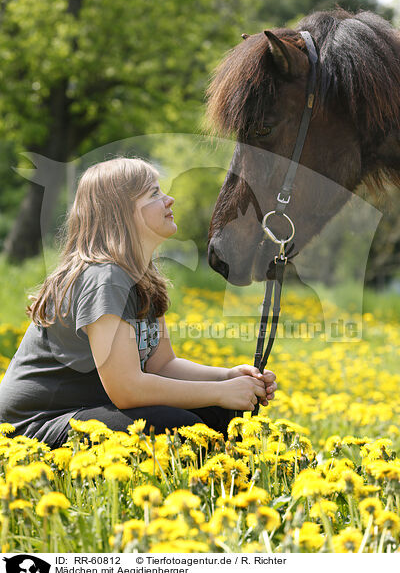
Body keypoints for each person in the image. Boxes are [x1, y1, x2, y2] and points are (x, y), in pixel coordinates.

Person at [0, 157, 277, 448]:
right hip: (32, 428)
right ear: (121, 213)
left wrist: (227, 378)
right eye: (154, 194)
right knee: (178, 428)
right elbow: (127, 389)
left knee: (217, 414)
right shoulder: (104, 278)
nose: (169, 200)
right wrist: (220, 392)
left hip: (84, 412)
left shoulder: (142, 276)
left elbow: (162, 365)